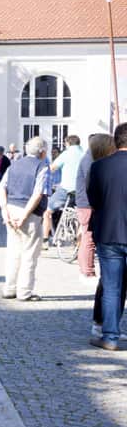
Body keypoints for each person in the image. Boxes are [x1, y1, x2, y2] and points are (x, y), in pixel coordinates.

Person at [87, 123, 127, 351]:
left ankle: (110, 337)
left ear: (116, 141)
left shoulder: (100, 166)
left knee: (112, 288)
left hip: (109, 233)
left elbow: (94, 200)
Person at [0, 136, 49, 302]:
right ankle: (24, 291)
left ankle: (9, 288)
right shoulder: (42, 167)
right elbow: (38, 193)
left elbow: (1, 187)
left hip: (11, 208)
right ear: (42, 152)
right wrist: (25, 215)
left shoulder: (14, 164)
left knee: (13, 251)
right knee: (29, 254)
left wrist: (4, 211)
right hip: (30, 212)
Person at [77, 133, 116, 283]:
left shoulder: (90, 159)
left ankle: (87, 270)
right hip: (87, 204)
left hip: (87, 203)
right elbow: (92, 185)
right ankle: (87, 271)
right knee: (89, 237)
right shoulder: (90, 161)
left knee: (88, 237)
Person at [42, 135, 84, 247]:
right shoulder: (85, 154)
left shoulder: (66, 154)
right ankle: (79, 244)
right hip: (82, 191)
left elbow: (52, 168)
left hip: (66, 190)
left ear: (67, 143)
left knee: (47, 212)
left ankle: (45, 241)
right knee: (82, 217)